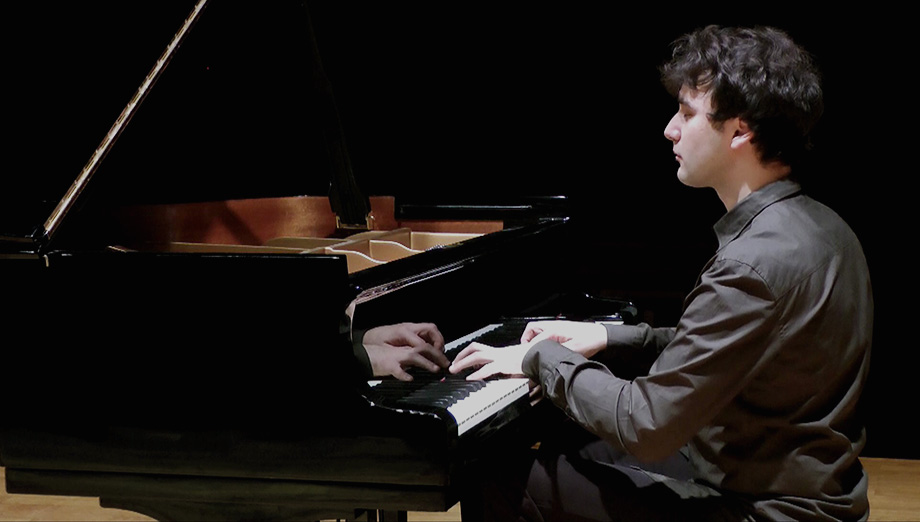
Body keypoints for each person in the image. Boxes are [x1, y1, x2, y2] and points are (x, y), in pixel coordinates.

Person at [450, 25, 872, 521]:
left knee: (496, 477)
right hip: (784, 482)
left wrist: (538, 357)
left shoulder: (751, 265)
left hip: (769, 509)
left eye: (687, 114)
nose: (670, 129)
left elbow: (647, 426)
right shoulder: (826, 227)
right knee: (575, 440)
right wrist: (607, 337)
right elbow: (724, 348)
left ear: (740, 131)